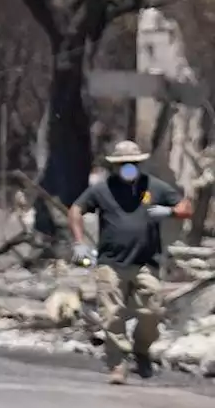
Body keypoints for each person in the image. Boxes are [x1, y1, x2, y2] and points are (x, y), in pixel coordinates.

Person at [69, 140, 192, 385]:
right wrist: (79, 243)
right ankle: (118, 363)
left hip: (146, 262)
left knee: (152, 311)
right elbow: (76, 209)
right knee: (112, 315)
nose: (128, 168)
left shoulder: (154, 187)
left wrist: (170, 212)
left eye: (132, 164)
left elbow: (185, 206)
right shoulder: (102, 189)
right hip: (111, 263)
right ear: (115, 166)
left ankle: (142, 351)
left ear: (139, 164)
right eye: (123, 164)